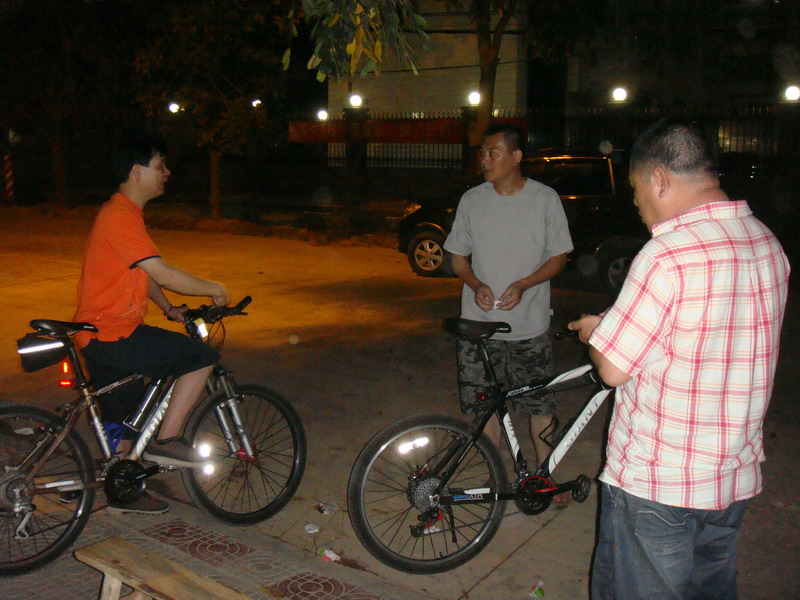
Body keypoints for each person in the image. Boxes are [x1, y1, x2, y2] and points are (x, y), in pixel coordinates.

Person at [568, 120, 790, 599]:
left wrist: (597, 331)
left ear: (660, 179)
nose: (637, 204)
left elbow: (612, 369)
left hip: (660, 485)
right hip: (730, 476)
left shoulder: (666, 255)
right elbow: (706, 334)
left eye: (635, 190)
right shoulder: (765, 242)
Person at [72, 129, 229, 514]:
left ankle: (122, 491)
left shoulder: (119, 213)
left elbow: (142, 274)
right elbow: (161, 271)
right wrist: (214, 288)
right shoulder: (121, 216)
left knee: (124, 422)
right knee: (200, 357)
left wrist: (169, 308)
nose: (167, 173)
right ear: (136, 171)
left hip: (97, 335)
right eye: (160, 166)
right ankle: (168, 440)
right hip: (114, 334)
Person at [443, 123, 573, 470]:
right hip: (478, 328)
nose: (484, 160)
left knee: (540, 407)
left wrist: (524, 284)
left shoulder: (544, 199)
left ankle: (544, 476)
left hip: (528, 327)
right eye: (483, 153)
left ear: (516, 157)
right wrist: (475, 284)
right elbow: (458, 258)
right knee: (485, 408)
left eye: (493, 152)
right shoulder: (473, 200)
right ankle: (496, 475)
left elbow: (558, 257)